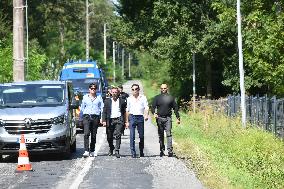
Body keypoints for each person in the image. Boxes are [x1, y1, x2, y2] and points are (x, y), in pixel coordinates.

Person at [151, 84, 180, 157]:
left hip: (168, 118)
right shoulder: (157, 98)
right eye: (162, 88)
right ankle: (162, 150)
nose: (163, 89)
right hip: (159, 118)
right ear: (160, 89)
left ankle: (170, 151)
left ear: (167, 88)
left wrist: (178, 118)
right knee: (161, 135)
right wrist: (154, 113)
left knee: (168, 134)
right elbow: (153, 107)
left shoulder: (171, 98)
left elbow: (175, 108)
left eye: (164, 88)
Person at [102, 87, 127, 158]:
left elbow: (124, 112)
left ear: (118, 93)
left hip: (119, 119)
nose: (114, 94)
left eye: (116, 92)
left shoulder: (122, 101)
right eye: (113, 92)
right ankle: (111, 147)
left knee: (118, 134)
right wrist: (104, 120)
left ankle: (117, 150)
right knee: (109, 136)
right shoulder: (107, 101)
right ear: (111, 93)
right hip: (110, 120)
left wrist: (125, 121)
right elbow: (104, 111)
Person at [80, 83, 104, 157]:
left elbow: (102, 109)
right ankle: (86, 150)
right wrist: (81, 118)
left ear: (96, 89)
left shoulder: (99, 98)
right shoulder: (85, 97)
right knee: (86, 133)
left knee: (93, 135)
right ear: (89, 89)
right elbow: (82, 108)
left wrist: (101, 118)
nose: (93, 90)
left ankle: (92, 150)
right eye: (91, 88)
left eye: (94, 88)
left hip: (95, 117)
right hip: (87, 117)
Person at [125, 84, 149, 158]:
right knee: (132, 136)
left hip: (140, 118)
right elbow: (127, 110)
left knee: (141, 136)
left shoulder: (143, 97)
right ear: (131, 90)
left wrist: (146, 115)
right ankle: (133, 152)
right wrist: (127, 121)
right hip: (132, 117)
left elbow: (146, 107)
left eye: (136, 89)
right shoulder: (129, 99)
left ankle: (141, 151)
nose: (134, 91)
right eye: (133, 89)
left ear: (139, 90)